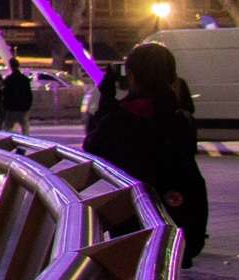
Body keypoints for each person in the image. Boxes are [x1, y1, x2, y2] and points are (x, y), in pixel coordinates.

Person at [84, 44, 208, 268]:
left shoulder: (118, 120)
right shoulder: (182, 120)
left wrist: (107, 98)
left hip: (132, 218)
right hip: (178, 216)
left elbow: (93, 147)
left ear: (131, 76)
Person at [0, 57, 34, 133]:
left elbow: (5, 94)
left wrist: (5, 106)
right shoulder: (24, 79)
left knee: (8, 129)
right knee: (25, 128)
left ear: (11, 66)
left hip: (11, 108)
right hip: (22, 108)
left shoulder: (9, 79)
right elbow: (29, 94)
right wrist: (27, 106)